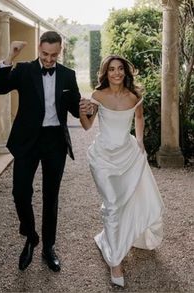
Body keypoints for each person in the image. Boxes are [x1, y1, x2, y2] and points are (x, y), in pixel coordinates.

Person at [0, 31, 84, 272]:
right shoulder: (23, 70)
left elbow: (75, 109)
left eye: (54, 55)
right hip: (27, 140)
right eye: (45, 54)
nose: (49, 59)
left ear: (60, 51)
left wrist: (87, 107)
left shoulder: (68, 75)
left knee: (51, 197)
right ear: (39, 49)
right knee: (20, 192)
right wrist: (9, 56)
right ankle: (31, 236)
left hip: (55, 141)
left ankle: (48, 248)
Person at [79, 55, 164, 287]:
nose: (116, 73)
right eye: (111, 70)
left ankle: (113, 241)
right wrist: (81, 111)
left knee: (125, 202)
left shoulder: (134, 97)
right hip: (103, 158)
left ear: (125, 72)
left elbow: (139, 118)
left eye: (119, 69)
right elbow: (87, 126)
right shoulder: (98, 96)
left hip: (127, 155)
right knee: (113, 204)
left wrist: (140, 143)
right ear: (105, 73)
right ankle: (115, 261)